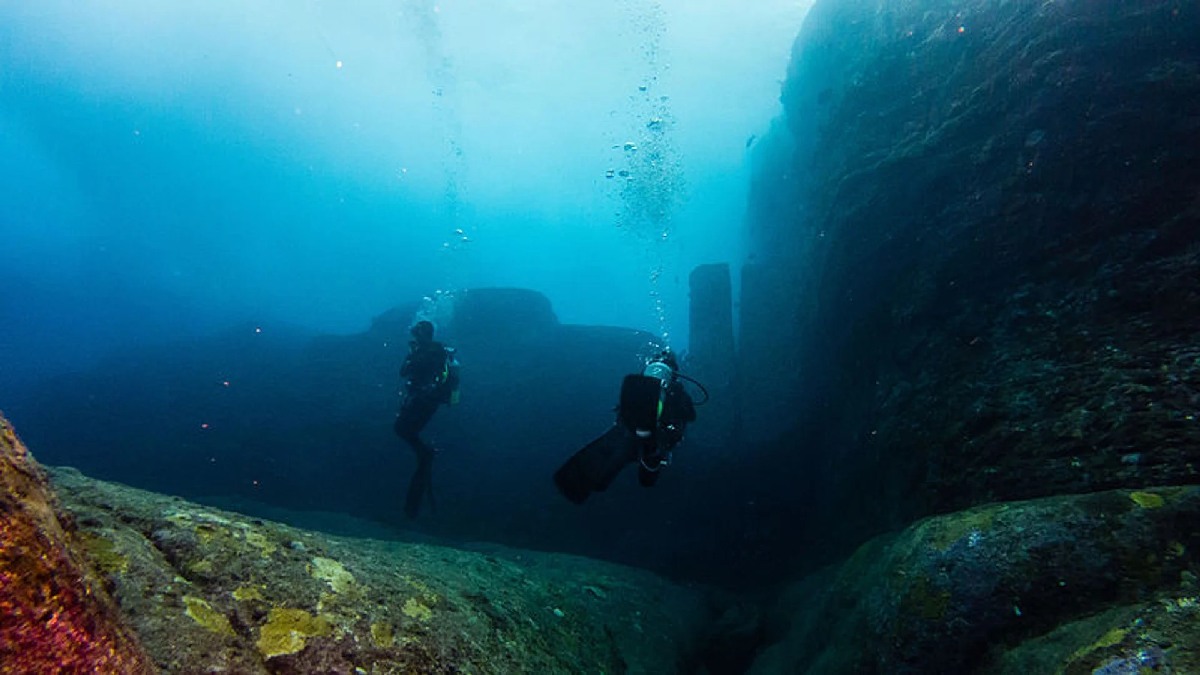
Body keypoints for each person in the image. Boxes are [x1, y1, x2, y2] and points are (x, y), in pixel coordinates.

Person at [553, 349, 699, 504]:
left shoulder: (639, 385)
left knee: (614, 462)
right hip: (656, 437)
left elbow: (623, 407)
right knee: (648, 471)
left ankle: (586, 484)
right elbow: (691, 415)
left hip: (631, 432)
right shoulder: (676, 390)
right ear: (674, 373)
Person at [394, 320, 460, 518]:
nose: (415, 337)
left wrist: (414, 353)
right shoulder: (421, 350)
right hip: (420, 399)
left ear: (425, 334)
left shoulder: (435, 350)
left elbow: (420, 367)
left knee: (403, 430)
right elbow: (403, 372)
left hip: (427, 400)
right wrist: (412, 353)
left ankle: (425, 454)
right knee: (401, 429)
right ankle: (424, 454)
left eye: (418, 334)